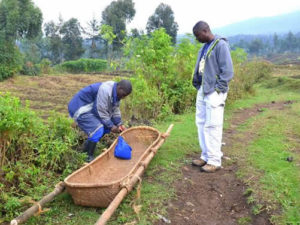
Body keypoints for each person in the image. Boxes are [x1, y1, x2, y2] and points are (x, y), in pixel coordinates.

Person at [191, 21, 234, 173]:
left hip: (214, 91)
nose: (197, 39)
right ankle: (206, 156)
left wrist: (218, 90)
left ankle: (215, 160)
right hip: (203, 89)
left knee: (213, 125)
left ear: (205, 30)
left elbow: (227, 71)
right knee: (201, 123)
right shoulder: (204, 47)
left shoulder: (220, 45)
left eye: (197, 35)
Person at [68, 80, 132, 162]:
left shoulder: (116, 94)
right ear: (119, 88)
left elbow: (115, 110)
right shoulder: (105, 90)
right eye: (123, 95)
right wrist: (112, 126)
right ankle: (87, 156)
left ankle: (86, 148)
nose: (123, 97)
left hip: (91, 109)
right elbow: (100, 111)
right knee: (98, 130)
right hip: (80, 108)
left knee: (106, 128)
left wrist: (119, 124)